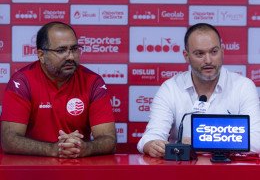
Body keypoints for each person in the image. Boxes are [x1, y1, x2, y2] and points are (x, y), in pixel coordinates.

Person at [137, 23, 260, 158]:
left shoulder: (243, 86)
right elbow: (149, 138)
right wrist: (153, 145)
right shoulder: (170, 88)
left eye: (214, 52)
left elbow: (256, 140)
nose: (208, 60)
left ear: (222, 51)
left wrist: (195, 142)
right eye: (199, 54)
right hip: (182, 173)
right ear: (186, 55)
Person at [0, 21, 116, 158]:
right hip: (31, 168)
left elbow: (109, 140)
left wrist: (85, 148)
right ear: (41, 55)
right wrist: (53, 149)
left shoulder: (92, 82)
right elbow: (9, 140)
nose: (71, 57)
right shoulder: (22, 82)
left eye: (74, 49)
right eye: (61, 51)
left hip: (78, 167)